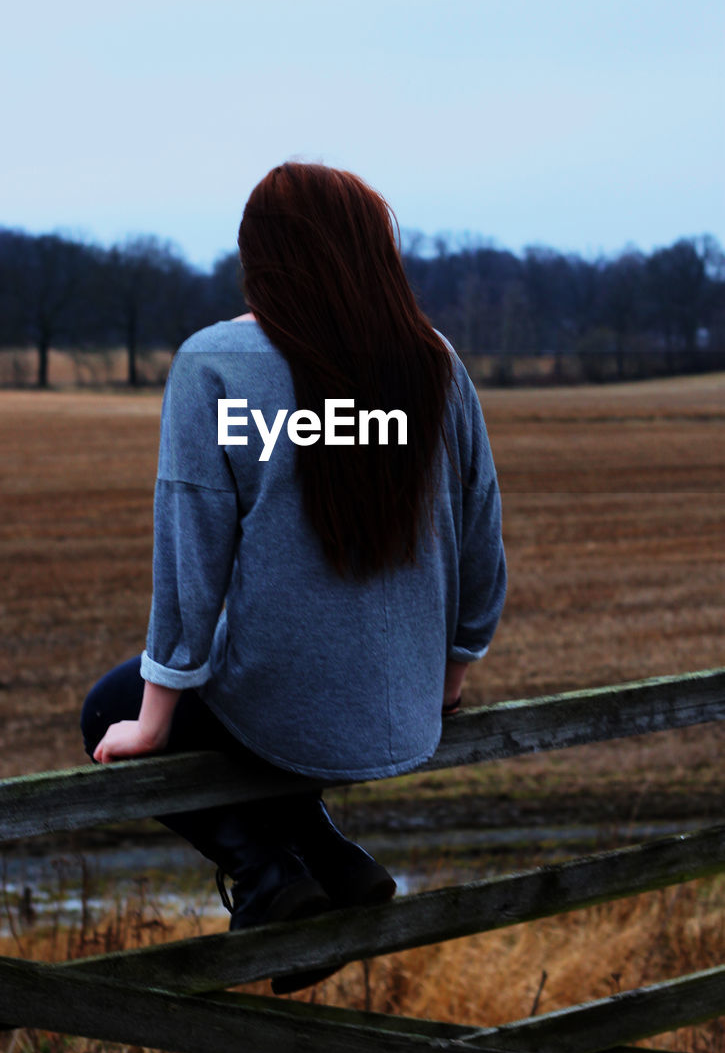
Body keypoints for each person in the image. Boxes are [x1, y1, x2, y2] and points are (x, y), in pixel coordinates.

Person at [81, 162, 506, 993]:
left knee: (109, 702)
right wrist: (450, 675)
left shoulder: (217, 363)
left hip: (287, 709)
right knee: (236, 702)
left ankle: (274, 876)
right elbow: (480, 525)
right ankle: (332, 862)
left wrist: (151, 716)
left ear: (260, 256)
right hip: (403, 711)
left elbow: (189, 555)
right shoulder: (431, 361)